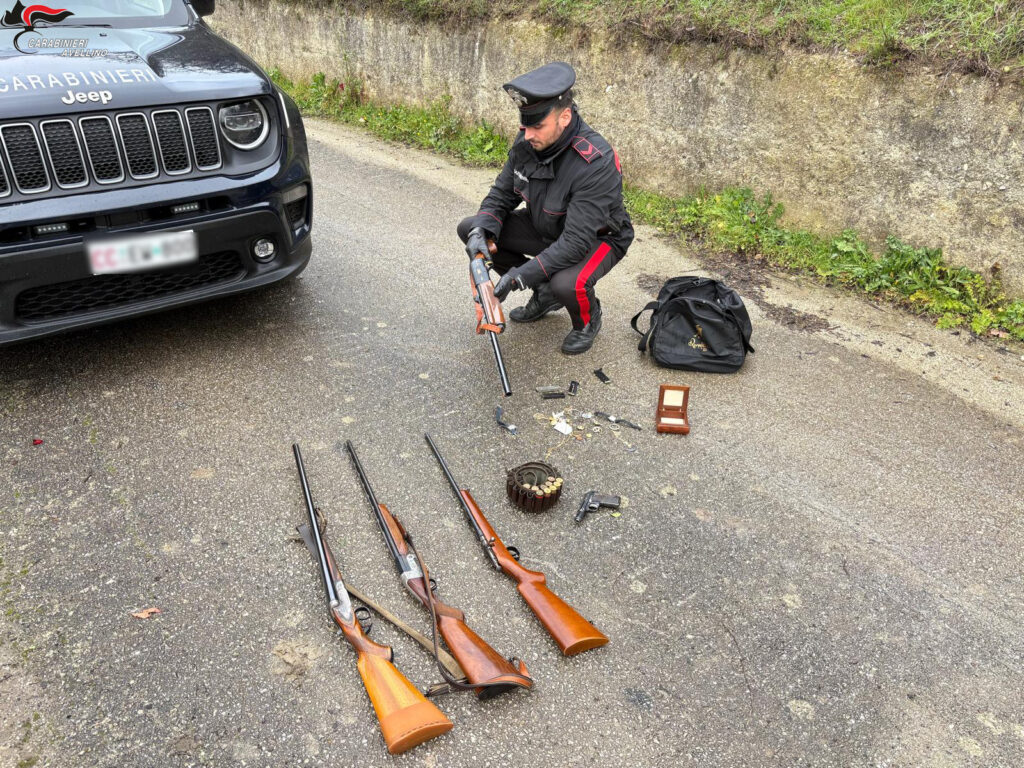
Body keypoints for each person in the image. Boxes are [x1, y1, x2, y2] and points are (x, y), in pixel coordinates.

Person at [457, 61, 634, 354]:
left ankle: (588, 320)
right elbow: (502, 194)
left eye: (537, 126)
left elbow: (576, 243)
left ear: (565, 117)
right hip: (546, 225)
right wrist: (482, 230)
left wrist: (518, 278)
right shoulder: (530, 140)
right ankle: (544, 293)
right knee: (471, 228)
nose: (527, 134)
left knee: (567, 283)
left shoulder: (595, 161)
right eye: (525, 125)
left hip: (598, 238)